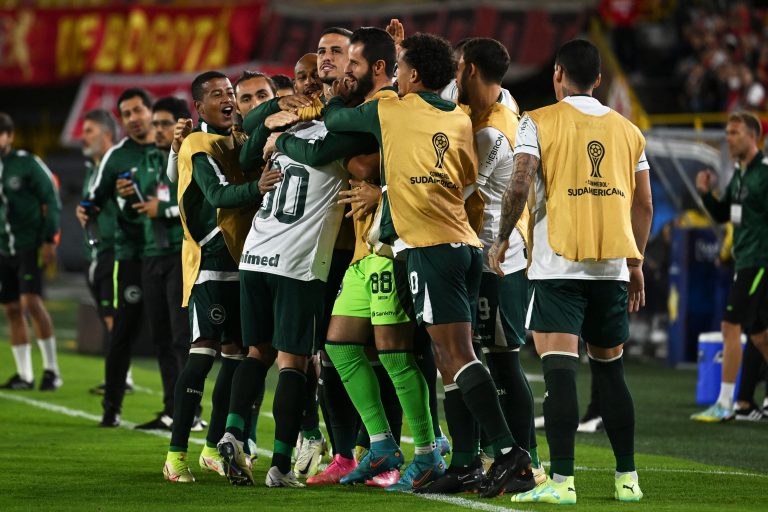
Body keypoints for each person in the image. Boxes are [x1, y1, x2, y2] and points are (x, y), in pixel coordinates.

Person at [323, 32, 533, 499]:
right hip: (460, 244)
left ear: (413, 75)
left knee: (458, 356)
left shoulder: (391, 109)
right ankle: (469, 461)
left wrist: (333, 96)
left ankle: (508, 454)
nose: (393, 76)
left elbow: (337, 122)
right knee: (449, 358)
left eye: (399, 68)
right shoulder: (459, 116)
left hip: (431, 246)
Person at [276, 26, 445, 492]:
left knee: (395, 355)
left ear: (373, 67)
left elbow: (367, 165)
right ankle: (381, 445)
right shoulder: (369, 106)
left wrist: (323, 139)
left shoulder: (387, 104)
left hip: (391, 245)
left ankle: (429, 449)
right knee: (340, 347)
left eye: (348, 60)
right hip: (359, 248)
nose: (340, 68)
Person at [488, 39, 653, 504]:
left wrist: (502, 240)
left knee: (560, 373)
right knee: (611, 372)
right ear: (598, 79)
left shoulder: (535, 121)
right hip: (612, 268)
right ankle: (627, 480)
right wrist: (635, 261)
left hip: (558, 264)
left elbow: (519, 182)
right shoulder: (628, 131)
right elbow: (644, 203)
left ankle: (562, 483)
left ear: (557, 73)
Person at [215, 28, 356, 489]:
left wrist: (275, 124)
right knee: (294, 362)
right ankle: (279, 463)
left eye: (315, 74)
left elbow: (255, 148)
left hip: (256, 253)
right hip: (298, 261)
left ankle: (235, 431)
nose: (309, 82)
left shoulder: (286, 127)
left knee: (256, 353)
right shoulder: (337, 128)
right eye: (301, 76)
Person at [419, 37, 541, 495]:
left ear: (468, 67)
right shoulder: (483, 104)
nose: (451, 77)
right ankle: (467, 461)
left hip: (497, 259)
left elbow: (458, 193)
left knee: (501, 360)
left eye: (455, 68)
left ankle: (527, 462)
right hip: (471, 252)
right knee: (453, 358)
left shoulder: (496, 129)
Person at [162, 71, 263, 483]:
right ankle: (175, 455)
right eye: (218, 94)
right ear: (198, 106)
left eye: (231, 93)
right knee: (203, 353)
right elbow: (219, 196)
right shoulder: (198, 144)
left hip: (245, 261)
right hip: (210, 263)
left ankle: (211, 448)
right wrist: (263, 185)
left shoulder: (238, 140)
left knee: (238, 357)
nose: (228, 99)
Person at [115, 97, 192, 430]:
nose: (156, 129)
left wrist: (161, 210)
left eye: (164, 123)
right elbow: (135, 214)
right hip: (151, 255)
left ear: (180, 125)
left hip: (180, 254)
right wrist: (127, 200)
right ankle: (170, 409)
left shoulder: (192, 155)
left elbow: (196, 202)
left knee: (181, 337)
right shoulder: (145, 160)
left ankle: (191, 412)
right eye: (156, 123)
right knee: (160, 337)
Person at [84, 88, 159, 427]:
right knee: (122, 332)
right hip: (130, 255)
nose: (133, 119)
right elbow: (93, 202)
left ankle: (182, 411)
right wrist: (87, 212)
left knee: (173, 336)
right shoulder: (116, 157)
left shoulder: (171, 148)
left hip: (169, 255)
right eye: (126, 114)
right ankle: (111, 407)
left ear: (150, 111)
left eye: (137, 111)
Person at [691, 111, 768, 422]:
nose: (728, 138)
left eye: (734, 133)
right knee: (761, 337)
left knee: (729, 326)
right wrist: (707, 194)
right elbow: (726, 214)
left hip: (759, 261)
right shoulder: (740, 173)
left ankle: (725, 404)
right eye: (727, 132)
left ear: (753, 136)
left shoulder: (764, 173)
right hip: (745, 259)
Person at [0, 112, 62, 391]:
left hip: (29, 243)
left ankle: (51, 370)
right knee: (12, 308)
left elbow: (51, 196)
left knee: (31, 303)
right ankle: (24, 375)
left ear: (9, 136)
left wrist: (49, 239)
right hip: (3, 248)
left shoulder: (27, 164)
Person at [78, 109, 137, 395]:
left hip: (116, 248)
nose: (83, 136)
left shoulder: (118, 166)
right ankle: (121, 373)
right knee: (107, 313)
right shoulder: (94, 169)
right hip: (99, 251)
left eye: (89, 130)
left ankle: (122, 376)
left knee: (115, 314)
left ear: (106, 134)